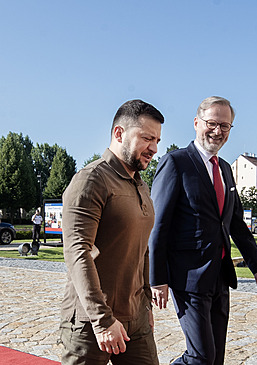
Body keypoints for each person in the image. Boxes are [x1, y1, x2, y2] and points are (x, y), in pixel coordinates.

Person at [149, 96, 257, 365]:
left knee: (216, 358)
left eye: (225, 126)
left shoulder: (225, 169)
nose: (218, 131)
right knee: (201, 357)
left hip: (219, 276)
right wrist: (157, 278)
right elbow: (158, 225)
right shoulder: (175, 163)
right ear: (196, 123)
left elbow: (235, 223)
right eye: (212, 123)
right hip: (187, 277)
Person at [59, 99, 164, 365]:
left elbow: (142, 250)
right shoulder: (91, 180)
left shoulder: (140, 184)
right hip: (90, 323)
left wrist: (146, 305)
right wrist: (102, 321)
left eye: (157, 141)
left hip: (136, 319)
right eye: (146, 138)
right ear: (119, 133)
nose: (153, 148)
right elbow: (77, 252)